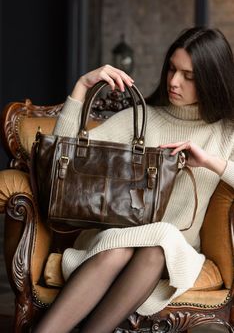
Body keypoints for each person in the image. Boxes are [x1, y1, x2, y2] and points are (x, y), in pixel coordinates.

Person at [34, 27, 234, 333]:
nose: (174, 82)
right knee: (123, 248)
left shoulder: (226, 133)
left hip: (169, 253)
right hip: (114, 243)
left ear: (211, 78)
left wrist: (210, 161)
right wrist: (81, 86)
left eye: (188, 76)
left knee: (159, 244)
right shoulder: (140, 119)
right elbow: (62, 159)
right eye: (171, 69)